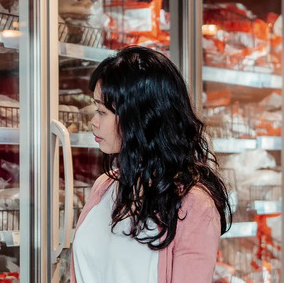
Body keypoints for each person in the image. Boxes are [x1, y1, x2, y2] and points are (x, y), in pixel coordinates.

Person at [71, 46, 230, 283]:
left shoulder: (194, 206)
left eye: (102, 112)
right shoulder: (104, 187)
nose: (93, 121)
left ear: (138, 118)